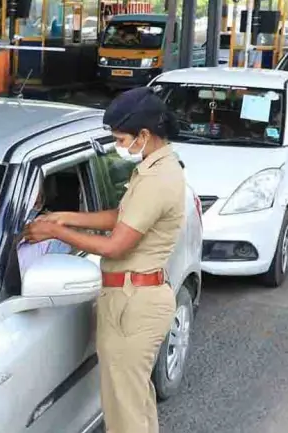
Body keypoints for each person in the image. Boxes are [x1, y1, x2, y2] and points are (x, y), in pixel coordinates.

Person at [23, 87, 185, 433]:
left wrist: (55, 232)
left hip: (135, 303)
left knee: (124, 413)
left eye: (121, 138)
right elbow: (122, 216)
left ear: (144, 134)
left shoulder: (158, 179)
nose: (118, 146)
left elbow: (115, 246)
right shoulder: (154, 167)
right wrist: (66, 217)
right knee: (135, 402)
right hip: (132, 296)